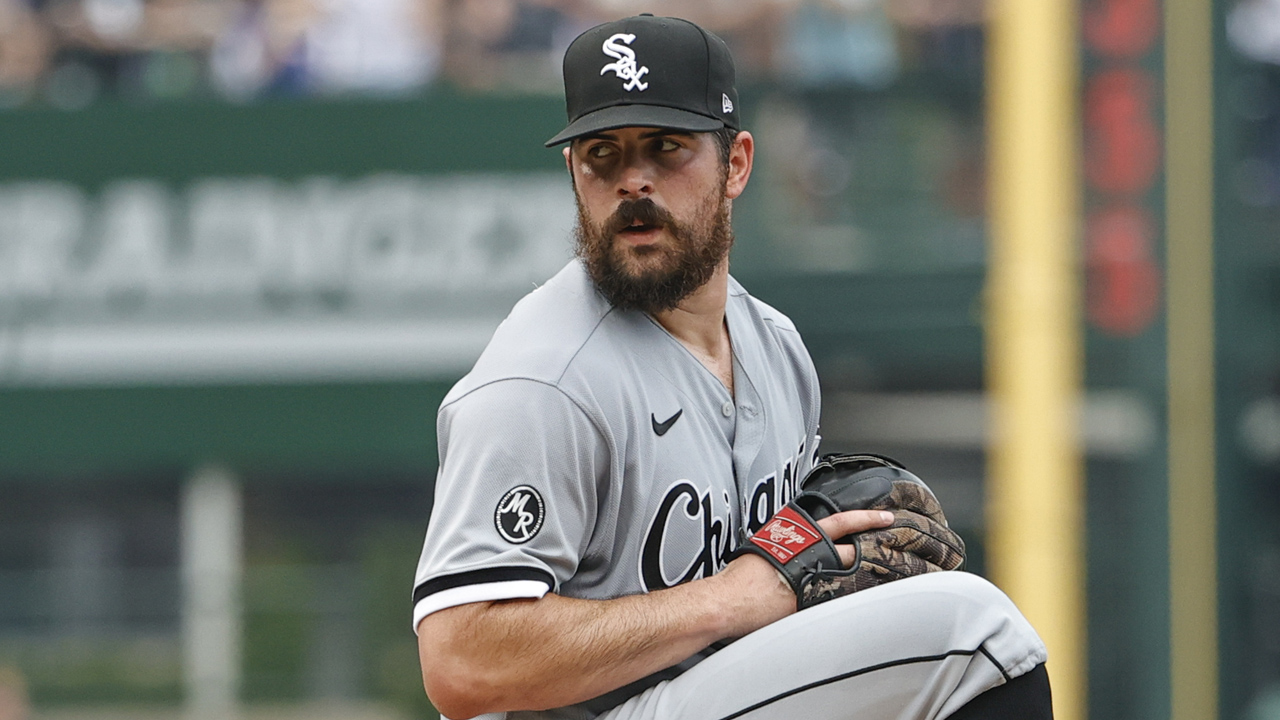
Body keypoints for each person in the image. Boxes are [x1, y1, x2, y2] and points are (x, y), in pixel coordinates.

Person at [413, 13, 1051, 720]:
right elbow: (461, 660)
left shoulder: (773, 346)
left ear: (736, 164)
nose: (633, 181)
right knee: (978, 636)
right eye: (602, 154)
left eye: (666, 147)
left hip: (708, 696)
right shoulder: (542, 381)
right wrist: (735, 597)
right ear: (573, 172)